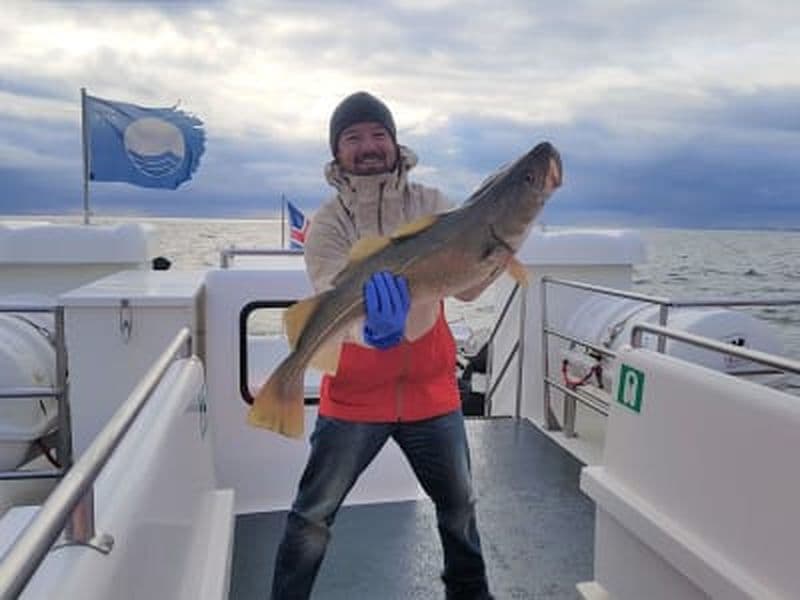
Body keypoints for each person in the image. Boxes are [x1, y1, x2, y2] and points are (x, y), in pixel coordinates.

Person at [270, 91, 493, 600]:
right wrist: (369, 331)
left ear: (395, 143)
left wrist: (501, 242)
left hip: (432, 391)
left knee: (459, 510)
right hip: (354, 396)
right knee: (311, 516)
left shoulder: (433, 205)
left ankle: (472, 596)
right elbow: (328, 293)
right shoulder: (327, 223)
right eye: (353, 138)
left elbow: (471, 287)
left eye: (378, 134)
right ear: (337, 152)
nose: (367, 146)